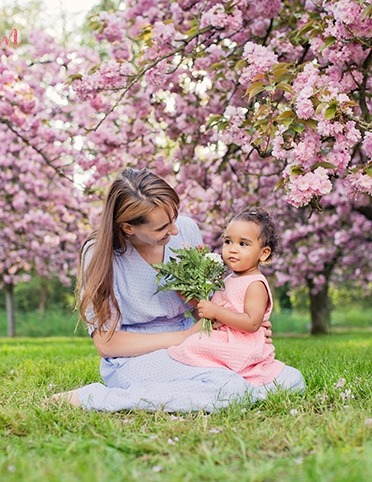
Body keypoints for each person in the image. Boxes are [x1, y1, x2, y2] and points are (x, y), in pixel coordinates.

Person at [50, 168, 304, 412]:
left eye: (173, 218)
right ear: (128, 228)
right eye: (162, 228)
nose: (174, 230)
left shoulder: (186, 230)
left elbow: (201, 305)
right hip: (136, 357)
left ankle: (227, 393)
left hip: (199, 344)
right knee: (229, 387)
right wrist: (186, 336)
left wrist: (239, 324)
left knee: (290, 380)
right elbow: (108, 344)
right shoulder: (98, 254)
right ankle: (97, 397)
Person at [168, 208, 286, 387]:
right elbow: (210, 316)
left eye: (243, 244)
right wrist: (193, 301)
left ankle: (222, 381)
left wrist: (216, 311)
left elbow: (252, 323)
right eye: (228, 241)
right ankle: (207, 378)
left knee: (194, 345)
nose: (233, 249)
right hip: (225, 337)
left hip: (242, 343)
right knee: (193, 344)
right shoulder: (228, 279)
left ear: (264, 253)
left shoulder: (255, 284)